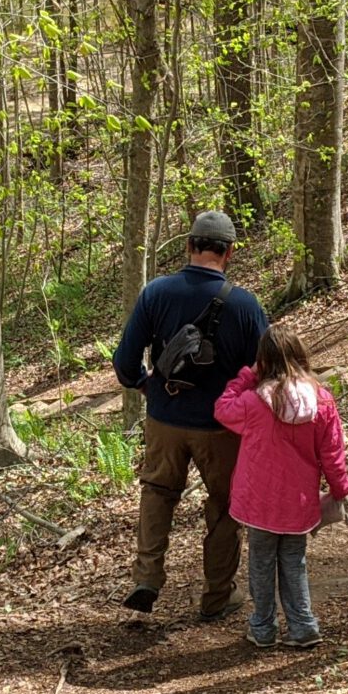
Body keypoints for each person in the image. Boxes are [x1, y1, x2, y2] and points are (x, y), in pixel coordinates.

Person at [112, 210, 269, 618]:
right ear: (229, 253)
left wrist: (146, 385)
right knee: (224, 506)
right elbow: (266, 370)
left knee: (158, 493)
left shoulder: (155, 293)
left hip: (164, 420)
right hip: (223, 428)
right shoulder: (246, 305)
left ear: (189, 245)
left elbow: (125, 362)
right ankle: (218, 595)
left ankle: (147, 577)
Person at [215, 330, 348, 651]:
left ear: (264, 362)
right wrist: (340, 489)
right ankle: (303, 626)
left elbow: (222, 409)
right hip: (298, 502)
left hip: (258, 502)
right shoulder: (322, 400)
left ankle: (263, 628)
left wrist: (246, 376)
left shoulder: (252, 402)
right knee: (294, 560)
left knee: (261, 563)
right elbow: (333, 453)